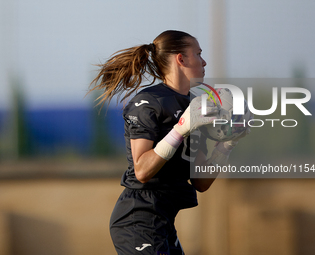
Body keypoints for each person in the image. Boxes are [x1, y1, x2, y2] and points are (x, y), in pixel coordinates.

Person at [89, 30, 243, 255]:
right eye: (198, 54)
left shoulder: (195, 104)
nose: (204, 61)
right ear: (181, 59)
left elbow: (200, 181)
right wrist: (180, 129)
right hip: (138, 220)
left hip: (163, 222)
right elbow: (141, 170)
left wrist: (227, 144)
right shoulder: (149, 102)